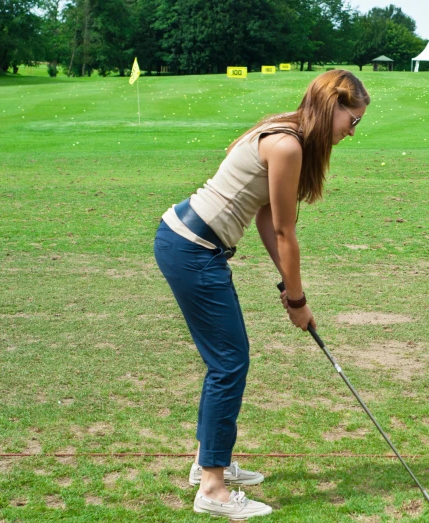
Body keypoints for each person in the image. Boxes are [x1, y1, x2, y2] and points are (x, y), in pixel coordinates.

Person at [153, 69, 370, 519]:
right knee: (229, 362)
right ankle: (212, 488)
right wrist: (296, 301)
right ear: (335, 106)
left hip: (191, 245)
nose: (353, 132)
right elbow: (287, 232)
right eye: (353, 121)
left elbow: (268, 219)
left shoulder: (283, 130)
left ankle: (207, 464)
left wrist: (293, 291)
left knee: (228, 360)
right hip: (193, 250)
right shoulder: (287, 144)